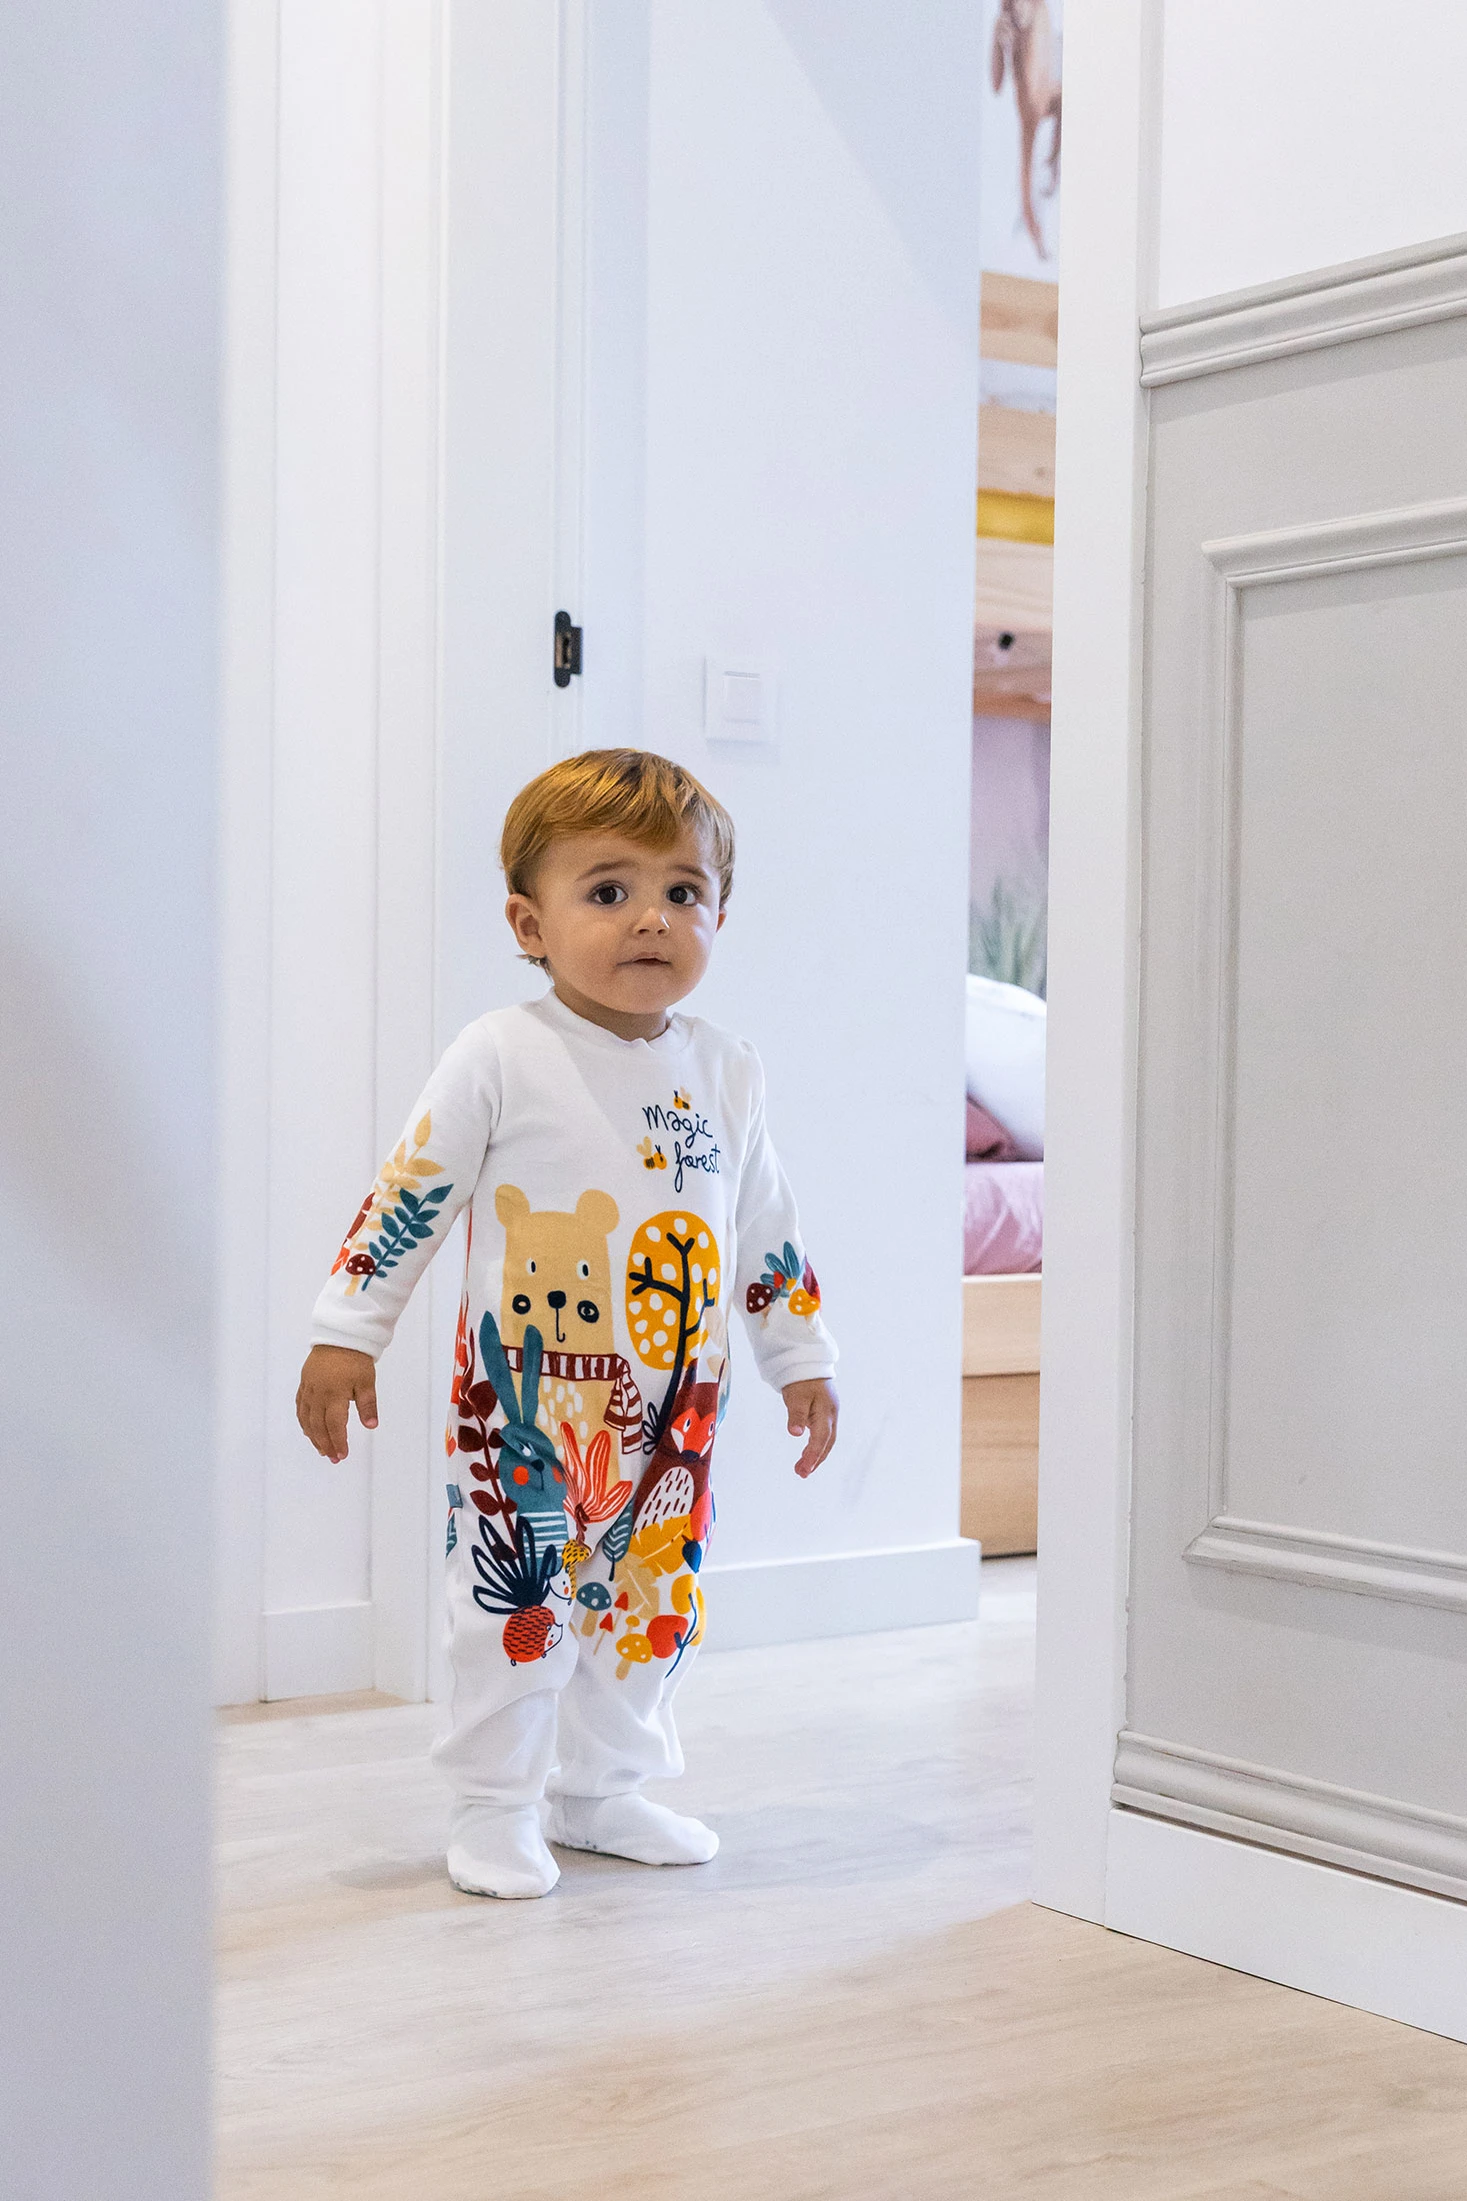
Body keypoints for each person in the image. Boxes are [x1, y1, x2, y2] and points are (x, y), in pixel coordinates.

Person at [296, 748, 839, 1898]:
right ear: (528, 922)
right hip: (525, 1418)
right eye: (608, 890)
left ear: (719, 913)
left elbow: (765, 1230)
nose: (651, 917)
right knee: (516, 1605)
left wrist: (799, 1357)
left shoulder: (726, 1071)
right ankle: (494, 1803)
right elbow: (409, 1195)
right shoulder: (502, 1052)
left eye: (683, 890)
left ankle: (602, 1791)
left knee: (650, 1611)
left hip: (676, 1425)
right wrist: (349, 1328)